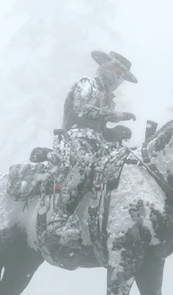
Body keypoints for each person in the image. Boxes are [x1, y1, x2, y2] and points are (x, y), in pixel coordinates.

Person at [53, 50, 138, 218]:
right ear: (105, 67)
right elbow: (81, 109)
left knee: (121, 163)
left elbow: (100, 130)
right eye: (116, 71)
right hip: (73, 139)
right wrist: (115, 115)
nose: (118, 78)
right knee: (86, 162)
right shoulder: (87, 84)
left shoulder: (108, 100)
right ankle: (60, 216)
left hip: (97, 144)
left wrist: (114, 134)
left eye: (122, 76)